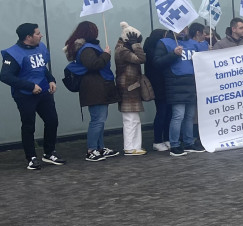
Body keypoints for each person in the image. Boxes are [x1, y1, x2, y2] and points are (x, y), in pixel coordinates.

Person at [1, 23, 64, 170]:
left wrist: (51, 79)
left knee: (52, 121)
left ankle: (49, 152)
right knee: (29, 125)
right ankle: (31, 158)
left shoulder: (40, 47)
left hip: (43, 92)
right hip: (24, 95)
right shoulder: (13, 53)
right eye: (37, 33)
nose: (41, 35)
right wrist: (30, 86)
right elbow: (5, 76)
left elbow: (41, 68)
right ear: (28, 37)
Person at [64, 21, 121, 161]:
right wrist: (106, 54)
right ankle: (91, 150)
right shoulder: (87, 49)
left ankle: (100, 148)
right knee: (97, 120)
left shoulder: (87, 47)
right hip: (95, 88)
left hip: (98, 87)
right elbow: (93, 64)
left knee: (100, 120)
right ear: (90, 32)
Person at [155, 23, 209, 156]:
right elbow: (157, 62)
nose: (183, 30)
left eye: (185, 28)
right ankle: (175, 145)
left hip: (191, 83)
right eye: (180, 28)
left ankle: (189, 143)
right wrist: (173, 54)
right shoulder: (164, 43)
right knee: (178, 115)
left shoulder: (193, 43)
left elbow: (205, 59)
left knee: (189, 116)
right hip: (175, 83)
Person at [114, 22, 151, 155]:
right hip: (127, 88)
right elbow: (141, 58)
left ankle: (135, 146)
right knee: (130, 120)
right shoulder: (122, 50)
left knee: (134, 119)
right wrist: (136, 45)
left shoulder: (122, 49)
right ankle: (130, 147)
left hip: (130, 87)